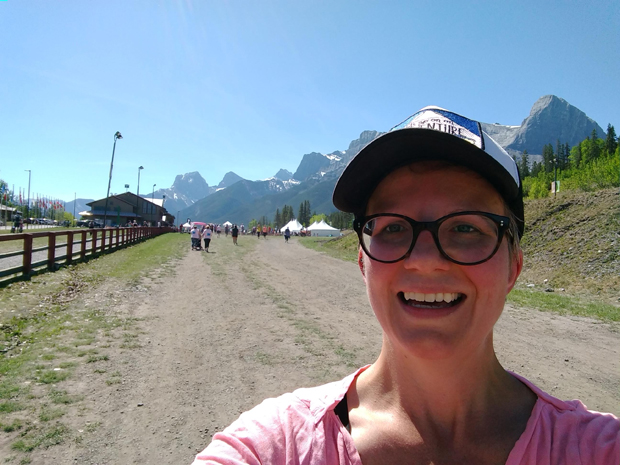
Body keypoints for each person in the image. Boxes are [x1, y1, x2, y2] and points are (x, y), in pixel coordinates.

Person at [193, 105, 619, 465]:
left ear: (514, 267)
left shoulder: (600, 449)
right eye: (393, 227)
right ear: (363, 262)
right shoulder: (277, 446)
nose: (425, 259)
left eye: (466, 228)